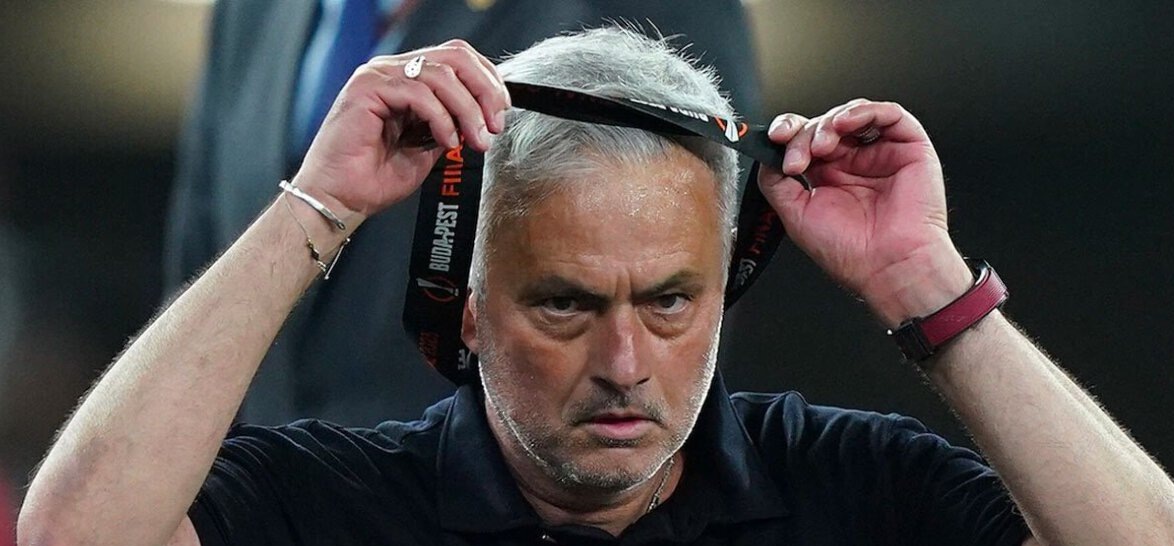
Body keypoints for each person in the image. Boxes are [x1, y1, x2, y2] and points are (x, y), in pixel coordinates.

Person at [18, 27, 1174, 546]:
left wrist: (925, 285)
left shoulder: (855, 495)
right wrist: (317, 207)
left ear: (724, 290)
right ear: (467, 307)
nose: (625, 365)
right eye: (566, 304)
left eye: (670, 300)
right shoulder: (337, 511)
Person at [166, 0, 764, 427]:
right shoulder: (252, 11)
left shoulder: (659, 9)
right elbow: (201, 270)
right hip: (259, 526)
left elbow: (682, 286)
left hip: (486, 533)